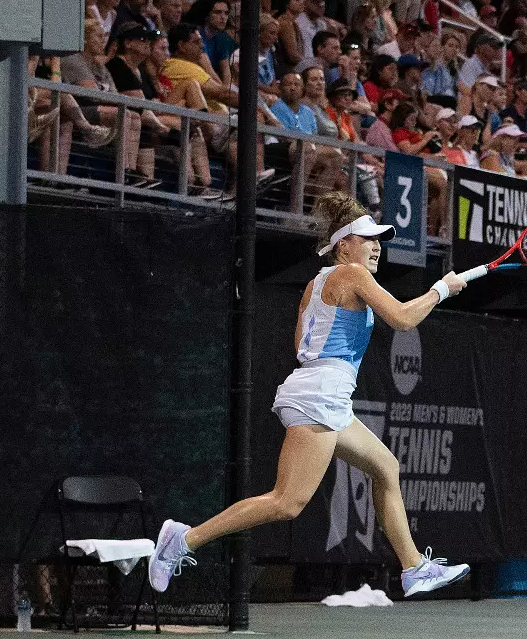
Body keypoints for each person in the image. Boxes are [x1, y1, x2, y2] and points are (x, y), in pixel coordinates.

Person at [147, 193, 473, 599]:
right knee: (286, 503)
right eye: (367, 238)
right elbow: (404, 319)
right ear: (343, 245)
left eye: (379, 240)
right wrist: (443, 287)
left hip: (325, 392)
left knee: (386, 467)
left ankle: (413, 569)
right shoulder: (352, 275)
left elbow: (305, 342)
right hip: (320, 395)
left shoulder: (318, 282)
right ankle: (183, 540)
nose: (376, 246)